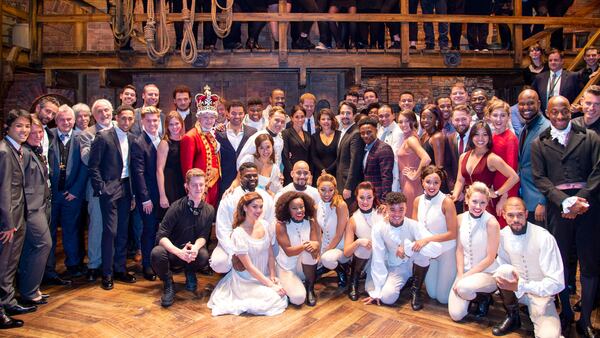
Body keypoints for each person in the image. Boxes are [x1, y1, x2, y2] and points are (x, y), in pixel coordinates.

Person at [531, 95, 600, 337]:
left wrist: (580, 200)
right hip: (558, 211)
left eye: (564, 112)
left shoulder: (590, 137)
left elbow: (597, 171)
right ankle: (567, 312)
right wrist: (565, 202)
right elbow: (540, 178)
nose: (560, 117)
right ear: (547, 113)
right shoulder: (539, 143)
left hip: (589, 208)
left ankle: (586, 320)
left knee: (590, 264)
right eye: (555, 112)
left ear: (571, 111)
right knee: (559, 263)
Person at [491, 197, 564, 337]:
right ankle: (513, 316)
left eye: (519, 215)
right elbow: (501, 264)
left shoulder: (544, 237)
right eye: (511, 215)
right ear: (504, 215)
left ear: (526, 214)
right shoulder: (503, 235)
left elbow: (557, 283)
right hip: (516, 293)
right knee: (502, 270)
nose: (515, 220)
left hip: (541, 296)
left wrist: (522, 286)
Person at [208, 192, 288, 315]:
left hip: (265, 274)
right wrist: (270, 285)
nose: (259, 210)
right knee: (273, 298)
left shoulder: (265, 225)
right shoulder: (239, 233)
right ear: (245, 208)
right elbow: (249, 267)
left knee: (282, 294)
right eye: (254, 207)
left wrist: (272, 275)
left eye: (261, 207)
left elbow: (271, 254)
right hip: (246, 279)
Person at [88, 104, 137, 290]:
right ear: (117, 118)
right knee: (111, 231)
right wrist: (101, 188)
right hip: (109, 189)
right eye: (123, 118)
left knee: (124, 231)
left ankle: (120, 269)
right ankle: (106, 273)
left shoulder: (133, 138)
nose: (126, 122)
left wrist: (132, 193)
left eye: (130, 119)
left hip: (126, 188)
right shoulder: (104, 136)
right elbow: (93, 165)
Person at [363, 192, 442, 307]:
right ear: (387, 209)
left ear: (406, 208)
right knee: (387, 298)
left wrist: (408, 247)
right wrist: (378, 291)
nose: (397, 214)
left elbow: (437, 249)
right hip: (394, 267)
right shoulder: (379, 227)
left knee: (423, 252)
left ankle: (416, 291)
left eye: (401, 209)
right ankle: (404, 283)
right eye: (392, 210)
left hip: (412, 264)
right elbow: (378, 258)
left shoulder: (414, 225)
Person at [151, 169, 213, 307]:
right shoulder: (176, 207)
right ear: (187, 187)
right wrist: (179, 252)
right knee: (157, 253)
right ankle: (168, 283)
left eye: (201, 185)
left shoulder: (209, 210)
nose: (198, 188)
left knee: (203, 255)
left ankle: (190, 272)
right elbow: (161, 236)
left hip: (190, 253)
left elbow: (203, 236)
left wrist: (195, 248)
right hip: (174, 252)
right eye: (194, 185)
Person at [46, 105, 88, 280]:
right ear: (56, 121)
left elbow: (85, 167)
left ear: (74, 120)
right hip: (51, 196)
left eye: (69, 119)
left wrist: (76, 190)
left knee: (72, 232)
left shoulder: (81, 137)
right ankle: (48, 269)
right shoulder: (48, 136)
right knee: (49, 234)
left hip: (72, 195)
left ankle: (73, 265)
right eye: (62, 119)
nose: (66, 122)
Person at [448, 182, 500, 321]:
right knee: (456, 315)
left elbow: (490, 258)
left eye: (482, 203)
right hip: (464, 272)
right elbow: (459, 249)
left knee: (463, 288)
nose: (478, 206)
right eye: (474, 202)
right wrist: (460, 275)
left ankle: (483, 298)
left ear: (487, 203)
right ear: (467, 200)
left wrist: (465, 278)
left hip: (486, 272)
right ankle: (474, 297)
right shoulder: (460, 218)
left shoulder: (492, 223)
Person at [0, 109, 33, 329]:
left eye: (27, 126)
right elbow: (3, 189)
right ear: (8, 127)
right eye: (19, 126)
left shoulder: (18, 149)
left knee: (11, 263)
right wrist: (8, 223)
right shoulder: (4, 151)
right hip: (8, 221)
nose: (24, 130)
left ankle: (8, 301)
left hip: (19, 214)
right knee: (3, 264)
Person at [211, 162, 275, 274]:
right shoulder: (229, 198)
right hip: (235, 242)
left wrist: (262, 245)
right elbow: (222, 230)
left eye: (255, 175)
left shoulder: (266, 197)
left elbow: (271, 223)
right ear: (240, 177)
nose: (252, 178)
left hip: (258, 240)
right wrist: (234, 253)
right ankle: (233, 271)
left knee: (276, 253)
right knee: (219, 263)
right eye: (247, 176)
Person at [452, 121, 519, 219]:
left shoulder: (492, 158)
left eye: (484, 135)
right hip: (469, 203)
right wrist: (454, 197)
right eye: (477, 134)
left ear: (489, 137)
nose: (480, 139)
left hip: (486, 205)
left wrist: (497, 193)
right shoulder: (463, 157)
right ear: (471, 136)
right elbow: (460, 180)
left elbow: (514, 177)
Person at [79, 99, 114, 283]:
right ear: (94, 115)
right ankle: (94, 264)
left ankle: (111, 262)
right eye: (99, 111)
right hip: (97, 188)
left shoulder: (120, 128)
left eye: (107, 110)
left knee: (114, 228)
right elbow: (87, 159)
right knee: (97, 227)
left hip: (117, 187)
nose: (104, 114)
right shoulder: (87, 134)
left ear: (112, 111)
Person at [18, 116, 52, 307]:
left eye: (40, 132)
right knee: (42, 244)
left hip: (41, 204)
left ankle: (31, 288)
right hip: (30, 208)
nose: (38, 136)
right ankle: (29, 291)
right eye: (33, 133)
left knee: (32, 248)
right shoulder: (22, 153)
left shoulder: (35, 151)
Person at [412, 166, 458, 306]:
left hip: (446, 251)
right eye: (428, 182)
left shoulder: (446, 202)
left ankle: (458, 280)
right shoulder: (417, 200)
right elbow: (414, 227)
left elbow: (452, 233)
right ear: (422, 181)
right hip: (429, 252)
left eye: (436, 182)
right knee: (431, 293)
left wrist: (426, 239)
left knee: (442, 298)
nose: (432, 186)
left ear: (441, 183)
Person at [131, 106, 163, 281]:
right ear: (142, 121)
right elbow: (138, 173)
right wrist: (145, 199)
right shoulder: (139, 142)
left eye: (155, 120)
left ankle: (159, 261)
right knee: (149, 230)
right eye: (149, 120)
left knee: (160, 230)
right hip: (149, 196)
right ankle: (147, 265)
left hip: (162, 194)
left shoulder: (161, 139)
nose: (152, 123)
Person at [275, 191, 321, 306]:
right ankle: (291, 285)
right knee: (298, 299)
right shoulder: (281, 225)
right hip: (287, 267)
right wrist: (306, 246)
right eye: (294, 208)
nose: (300, 211)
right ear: (287, 210)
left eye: (301, 207)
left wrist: (316, 245)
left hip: (304, 266)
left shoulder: (311, 222)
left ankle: (310, 288)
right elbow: (289, 252)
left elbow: (315, 245)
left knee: (309, 250)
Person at [180, 86, 221, 208]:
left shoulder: (213, 134)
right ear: (199, 117)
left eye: (212, 117)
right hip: (199, 188)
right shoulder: (190, 137)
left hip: (214, 185)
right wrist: (192, 192)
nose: (209, 121)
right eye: (205, 117)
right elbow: (187, 170)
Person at [516, 89, 550, 227]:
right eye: (522, 104)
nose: (525, 108)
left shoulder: (546, 128)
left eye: (530, 103)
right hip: (526, 197)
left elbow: (550, 168)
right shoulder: (526, 128)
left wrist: (543, 201)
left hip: (538, 201)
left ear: (539, 104)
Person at [344, 182, 381, 301]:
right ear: (356, 197)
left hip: (380, 259)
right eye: (362, 197)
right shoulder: (353, 219)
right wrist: (358, 242)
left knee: (374, 291)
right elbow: (346, 252)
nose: (365, 202)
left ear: (374, 197)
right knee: (364, 246)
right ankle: (353, 281)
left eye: (369, 197)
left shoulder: (382, 213)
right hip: (363, 259)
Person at [215, 100, 257, 199]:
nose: (237, 116)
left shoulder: (252, 132)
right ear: (227, 114)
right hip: (224, 181)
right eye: (233, 113)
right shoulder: (218, 133)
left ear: (244, 115)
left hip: (246, 180)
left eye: (240, 113)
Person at [487, 99, 519, 227]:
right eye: (495, 115)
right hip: (496, 188)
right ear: (489, 117)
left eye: (502, 115)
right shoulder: (492, 136)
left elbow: (512, 171)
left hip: (507, 189)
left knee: (504, 224)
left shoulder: (510, 138)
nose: (498, 119)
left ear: (508, 117)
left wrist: (504, 197)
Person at [315, 174, 350, 287]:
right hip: (325, 245)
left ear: (335, 189)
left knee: (327, 259)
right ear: (317, 189)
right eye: (323, 190)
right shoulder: (316, 207)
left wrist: (325, 252)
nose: (327, 193)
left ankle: (341, 270)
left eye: (330, 190)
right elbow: (317, 233)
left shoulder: (340, 205)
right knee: (311, 266)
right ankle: (325, 267)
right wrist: (318, 251)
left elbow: (339, 234)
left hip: (340, 246)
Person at [397, 110, 431, 216]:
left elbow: (426, 158)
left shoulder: (411, 139)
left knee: (411, 216)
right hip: (406, 181)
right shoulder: (408, 137)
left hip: (411, 183)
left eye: (407, 121)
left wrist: (415, 175)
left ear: (413, 121)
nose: (403, 125)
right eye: (400, 122)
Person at [156, 111, 186, 218]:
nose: (174, 127)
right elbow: (159, 170)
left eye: (177, 123)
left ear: (181, 124)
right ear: (166, 126)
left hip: (183, 184)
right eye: (171, 124)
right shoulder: (165, 143)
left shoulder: (185, 140)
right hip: (170, 186)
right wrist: (162, 195)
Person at [533, 49, 581, 113]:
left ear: (562, 61)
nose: (553, 62)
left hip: (565, 115)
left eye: (556, 60)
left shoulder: (572, 76)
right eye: (550, 60)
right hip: (545, 116)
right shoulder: (540, 78)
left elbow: (580, 95)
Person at [358, 118, 394, 200]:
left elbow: (387, 177)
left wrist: (384, 200)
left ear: (376, 131)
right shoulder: (365, 148)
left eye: (369, 132)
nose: (365, 135)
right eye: (362, 133)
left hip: (379, 196)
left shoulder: (383, 148)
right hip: (368, 196)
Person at [336, 101, 364, 206]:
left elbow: (355, 162)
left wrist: (349, 186)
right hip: (341, 180)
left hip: (348, 184)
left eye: (348, 113)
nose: (345, 116)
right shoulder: (343, 131)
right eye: (342, 113)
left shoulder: (355, 133)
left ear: (354, 115)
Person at [444, 105, 472, 198]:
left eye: (464, 119)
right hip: (455, 193)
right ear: (452, 120)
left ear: (470, 118)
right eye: (457, 120)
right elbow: (447, 166)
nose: (460, 123)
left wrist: (466, 191)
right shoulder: (449, 138)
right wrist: (456, 189)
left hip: (473, 191)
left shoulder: (477, 138)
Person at [282, 105, 311, 185]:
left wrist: (309, 174)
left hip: (305, 174)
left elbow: (310, 157)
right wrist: (294, 173)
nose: (300, 119)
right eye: (297, 117)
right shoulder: (286, 133)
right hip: (291, 174)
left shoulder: (308, 135)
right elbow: (285, 156)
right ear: (292, 118)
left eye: (302, 117)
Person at [310, 108, 340, 178]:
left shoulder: (340, 135)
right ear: (319, 121)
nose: (326, 121)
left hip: (336, 173)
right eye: (323, 119)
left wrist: (328, 170)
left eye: (328, 119)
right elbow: (314, 157)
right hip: (319, 174)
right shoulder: (314, 137)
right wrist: (323, 170)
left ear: (332, 121)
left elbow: (340, 156)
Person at [419, 104, 446, 174]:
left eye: (430, 117)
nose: (425, 120)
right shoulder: (424, 135)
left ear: (436, 119)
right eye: (423, 117)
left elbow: (439, 167)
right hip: (425, 177)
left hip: (434, 180)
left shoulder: (437, 137)